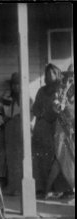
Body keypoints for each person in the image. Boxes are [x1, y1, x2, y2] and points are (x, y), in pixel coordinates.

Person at [32, 63, 70, 198]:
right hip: (43, 127)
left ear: (58, 74)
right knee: (42, 158)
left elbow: (63, 107)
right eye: (48, 73)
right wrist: (42, 115)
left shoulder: (62, 89)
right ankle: (42, 188)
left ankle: (63, 189)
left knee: (59, 157)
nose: (50, 76)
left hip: (58, 126)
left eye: (53, 73)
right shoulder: (41, 91)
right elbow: (35, 109)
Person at [45, 64, 75, 200]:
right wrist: (62, 99)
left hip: (72, 128)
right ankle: (47, 190)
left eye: (73, 76)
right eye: (70, 76)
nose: (72, 78)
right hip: (63, 128)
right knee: (62, 158)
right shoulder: (61, 90)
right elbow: (57, 108)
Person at [0, 72, 22, 196]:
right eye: (14, 84)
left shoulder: (26, 97)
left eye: (18, 84)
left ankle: (18, 187)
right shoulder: (6, 96)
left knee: (18, 158)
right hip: (6, 130)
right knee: (6, 158)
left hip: (20, 130)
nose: (16, 87)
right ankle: (10, 185)